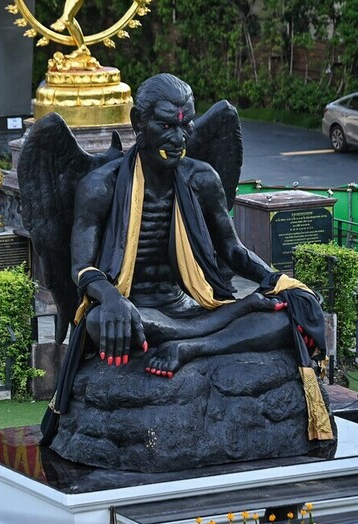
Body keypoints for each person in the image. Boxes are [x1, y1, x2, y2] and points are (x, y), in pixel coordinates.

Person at [37, 73, 333, 447]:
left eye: (186, 125)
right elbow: (81, 267)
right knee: (101, 322)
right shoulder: (101, 186)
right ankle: (224, 325)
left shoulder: (201, 178)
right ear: (138, 122)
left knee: (292, 315)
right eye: (166, 126)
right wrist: (111, 298)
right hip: (137, 311)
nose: (179, 139)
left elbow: (232, 250)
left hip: (188, 309)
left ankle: (192, 347)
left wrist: (279, 281)